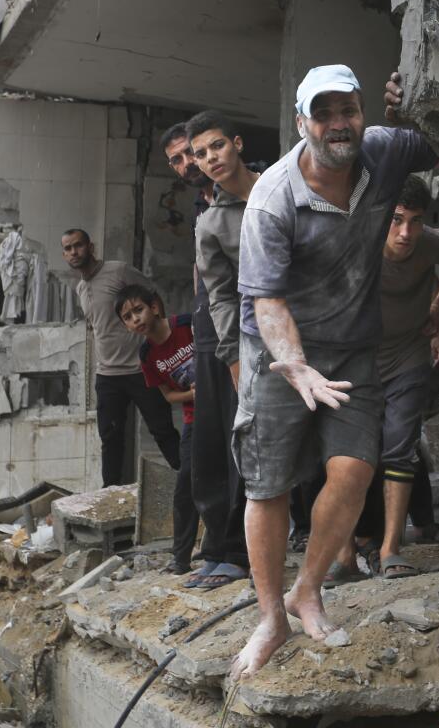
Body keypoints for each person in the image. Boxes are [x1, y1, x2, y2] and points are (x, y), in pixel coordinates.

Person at [230, 65, 439, 678]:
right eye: (323, 114)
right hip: (277, 353)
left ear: (361, 111)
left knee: (353, 472)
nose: (337, 124)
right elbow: (266, 301)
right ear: (302, 124)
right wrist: (294, 366)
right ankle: (270, 616)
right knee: (267, 488)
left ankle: (308, 591)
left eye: (347, 109)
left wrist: (415, 102)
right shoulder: (272, 199)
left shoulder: (384, 152)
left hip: (351, 350)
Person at [343, 175, 439, 580]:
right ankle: (344, 553)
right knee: (349, 456)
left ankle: (392, 549)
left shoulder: (431, 242)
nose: (405, 233)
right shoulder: (353, 243)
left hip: (407, 355)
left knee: (400, 446)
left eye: (415, 221)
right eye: (397, 219)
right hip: (357, 361)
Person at [186, 110, 266, 588]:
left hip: (309, 331)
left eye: (216, 146)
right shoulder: (211, 223)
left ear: (235, 143)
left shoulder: (282, 186)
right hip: (247, 343)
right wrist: (235, 358)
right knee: (226, 445)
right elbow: (219, 294)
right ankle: (227, 550)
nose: (210, 158)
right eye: (200, 153)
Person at [62, 229, 180, 486]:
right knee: (110, 438)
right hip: (108, 375)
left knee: (163, 432)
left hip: (141, 370)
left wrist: (160, 341)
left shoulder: (119, 271)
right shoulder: (80, 288)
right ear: (64, 255)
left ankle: (191, 481)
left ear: (90, 247)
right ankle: (109, 497)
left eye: (78, 246)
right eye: (68, 249)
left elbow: (152, 296)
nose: (74, 252)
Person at [114, 284, 199, 576]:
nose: (135, 319)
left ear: (154, 307)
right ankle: (181, 559)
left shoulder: (189, 325)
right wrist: (192, 395)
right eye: (127, 317)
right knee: (185, 487)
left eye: (138, 310)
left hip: (225, 409)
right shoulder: (148, 354)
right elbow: (168, 396)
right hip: (193, 418)